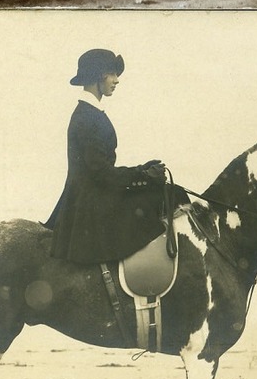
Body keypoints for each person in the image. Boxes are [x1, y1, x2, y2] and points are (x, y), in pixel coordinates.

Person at [44, 49, 182, 265]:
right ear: (99, 76)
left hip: (94, 193)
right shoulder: (86, 117)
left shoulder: (91, 112)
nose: (117, 80)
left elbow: (100, 168)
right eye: (112, 74)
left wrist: (142, 169)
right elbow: (101, 173)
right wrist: (143, 176)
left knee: (172, 193)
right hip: (90, 203)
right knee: (161, 197)